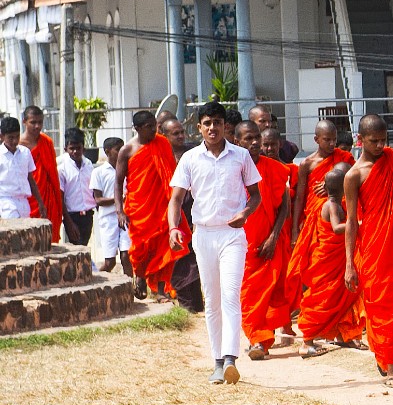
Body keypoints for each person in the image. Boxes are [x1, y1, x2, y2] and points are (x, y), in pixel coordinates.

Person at [167, 101, 263, 385]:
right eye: (207, 123)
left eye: (217, 123)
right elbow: (176, 199)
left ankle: (231, 358)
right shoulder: (190, 159)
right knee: (212, 300)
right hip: (204, 235)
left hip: (232, 235)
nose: (212, 128)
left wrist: (244, 213)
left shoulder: (241, 156)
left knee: (231, 294)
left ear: (225, 126)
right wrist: (174, 227)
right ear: (199, 128)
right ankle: (218, 362)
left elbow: (255, 195)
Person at [343, 113, 393, 386]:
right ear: (360, 139)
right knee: (383, 306)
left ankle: (388, 356)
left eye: (383, 139)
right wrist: (348, 264)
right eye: (373, 141)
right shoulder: (354, 175)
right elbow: (352, 222)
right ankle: (392, 366)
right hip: (375, 249)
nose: (380, 146)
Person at [237, 126, 296, 362]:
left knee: (271, 291)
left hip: (270, 240)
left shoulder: (274, 168)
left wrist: (273, 236)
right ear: (237, 141)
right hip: (242, 242)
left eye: (256, 138)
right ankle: (256, 338)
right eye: (248, 138)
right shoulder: (233, 168)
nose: (254, 143)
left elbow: (284, 206)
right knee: (249, 295)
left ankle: (261, 340)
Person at [298, 167, 362, 352]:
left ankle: (342, 335)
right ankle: (307, 342)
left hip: (336, 259)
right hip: (327, 260)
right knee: (323, 299)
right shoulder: (331, 205)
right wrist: (356, 225)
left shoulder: (336, 203)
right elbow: (335, 228)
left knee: (342, 298)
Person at [119, 110, 178, 299]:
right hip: (138, 207)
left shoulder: (162, 143)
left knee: (163, 247)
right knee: (140, 249)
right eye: (149, 127)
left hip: (161, 205)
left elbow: (170, 172)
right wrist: (119, 210)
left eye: (155, 126)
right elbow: (117, 181)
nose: (154, 130)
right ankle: (141, 277)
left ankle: (160, 290)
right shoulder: (127, 150)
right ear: (137, 129)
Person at [20, 106, 61, 244]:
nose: (37, 126)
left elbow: (53, 175)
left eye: (40, 122)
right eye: (33, 122)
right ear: (24, 121)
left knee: (49, 242)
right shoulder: (17, 146)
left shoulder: (47, 142)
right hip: (26, 201)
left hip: (47, 200)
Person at [89, 135, 125, 274]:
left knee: (126, 255)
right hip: (108, 219)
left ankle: (129, 288)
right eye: (118, 149)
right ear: (107, 151)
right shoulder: (99, 172)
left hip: (125, 217)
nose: (121, 152)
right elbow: (98, 200)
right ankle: (96, 278)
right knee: (110, 262)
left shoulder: (126, 168)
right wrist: (118, 199)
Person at [56, 130, 95, 247]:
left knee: (84, 248)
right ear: (65, 149)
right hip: (72, 217)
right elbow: (60, 197)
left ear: (84, 148)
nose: (75, 152)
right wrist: (69, 222)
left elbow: (92, 190)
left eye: (78, 148)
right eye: (72, 148)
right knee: (77, 250)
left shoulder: (88, 165)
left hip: (88, 216)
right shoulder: (62, 169)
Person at [0, 116, 35, 220]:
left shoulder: (25, 153)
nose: (15, 141)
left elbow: (30, 179)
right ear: (2, 136)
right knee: (13, 234)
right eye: (10, 137)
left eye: (17, 136)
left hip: (24, 202)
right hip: (6, 203)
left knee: (26, 234)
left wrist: (40, 202)